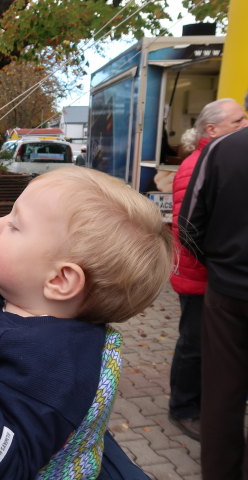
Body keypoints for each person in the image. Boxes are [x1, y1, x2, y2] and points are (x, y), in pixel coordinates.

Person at [0, 166, 173, 479]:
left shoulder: (56, 369)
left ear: (60, 279)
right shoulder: (6, 294)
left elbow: (4, 466)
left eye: (16, 225)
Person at [168, 98, 248, 440]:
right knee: (193, 343)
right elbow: (189, 227)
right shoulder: (199, 163)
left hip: (212, 274)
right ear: (212, 130)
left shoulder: (216, 157)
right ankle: (183, 408)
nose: (244, 124)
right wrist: (216, 265)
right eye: (238, 120)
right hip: (202, 277)